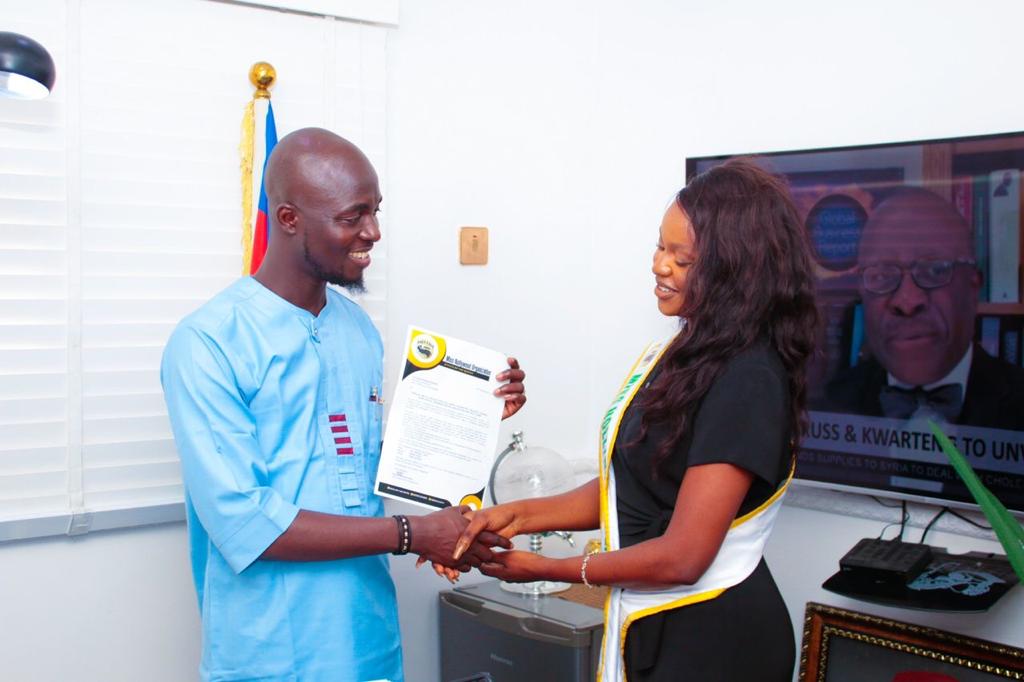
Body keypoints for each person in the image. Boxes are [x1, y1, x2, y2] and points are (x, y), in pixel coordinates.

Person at [160, 128, 525, 682]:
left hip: (367, 642)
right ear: (288, 219)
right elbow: (247, 523)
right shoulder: (208, 343)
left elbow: (363, 468)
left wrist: (470, 415)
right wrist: (411, 534)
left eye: (376, 212)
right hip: (270, 654)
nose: (373, 233)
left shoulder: (356, 329)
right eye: (353, 216)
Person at [451, 159, 818, 681]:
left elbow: (683, 557)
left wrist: (550, 569)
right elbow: (633, 489)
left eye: (682, 258)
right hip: (661, 624)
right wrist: (518, 516)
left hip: (714, 640)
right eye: (660, 246)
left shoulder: (749, 379)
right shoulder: (686, 353)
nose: (659, 265)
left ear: (736, 271)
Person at [823, 187, 1024, 429]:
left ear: (973, 286)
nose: (907, 302)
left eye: (935, 270)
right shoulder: (832, 404)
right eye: (882, 275)